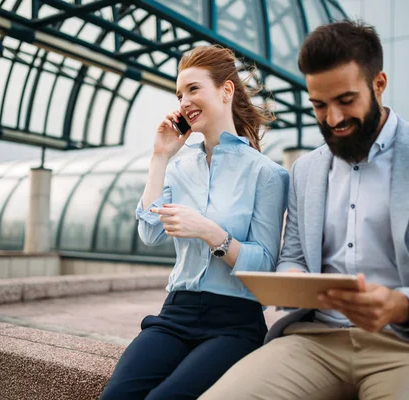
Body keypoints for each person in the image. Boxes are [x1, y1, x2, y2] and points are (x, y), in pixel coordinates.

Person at [200, 20, 409, 399]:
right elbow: (294, 257)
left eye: (346, 101)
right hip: (314, 342)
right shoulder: (306, 169)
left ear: (379, 84)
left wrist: (401, 306)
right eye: (319, 105)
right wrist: (290, 280)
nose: (333, 119)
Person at [99, 45, 289, 400]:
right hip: (176, 311)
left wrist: (208, 231)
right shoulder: (180, 168)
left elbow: (265, 266)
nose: (183, 101)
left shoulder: (267, 174)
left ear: (226, 90)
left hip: (234, 321)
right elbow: (150, 231)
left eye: (193, 89)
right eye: (179, 94)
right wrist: (159, 157)